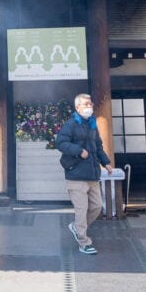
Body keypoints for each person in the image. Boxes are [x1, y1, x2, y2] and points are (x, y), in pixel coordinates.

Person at [56, 93, 113, 255]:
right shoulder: (71, 124)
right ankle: (84, 242)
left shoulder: (92, 125)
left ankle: (76, 227)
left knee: (96, 206)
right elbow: (60, 143)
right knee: (82, 209)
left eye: (90, 104)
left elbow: (98, 147)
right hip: (76, 174)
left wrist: (106, 162)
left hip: (92, 173)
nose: (89, 107)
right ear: (77, 107)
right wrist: (79, 150)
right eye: (86, 104)